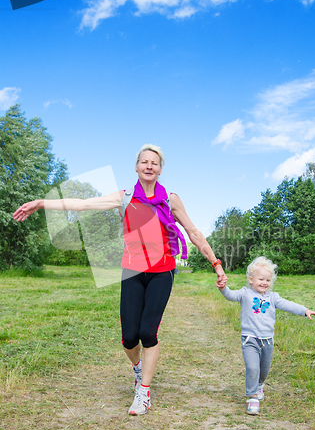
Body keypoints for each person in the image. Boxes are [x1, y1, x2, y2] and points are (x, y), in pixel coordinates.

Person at [13, 144, 225, 415]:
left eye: (154, 163)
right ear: (136, 167)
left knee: (148, 332)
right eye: (144, 161)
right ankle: (138, 370)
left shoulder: (170, 200)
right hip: (133, 271)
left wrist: (215, 263)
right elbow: (82, 205)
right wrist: (42, 203)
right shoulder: (125, 197)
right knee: (128, 338)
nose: (149, 166)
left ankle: (144, 392)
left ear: (160, 170)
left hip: (162, 271)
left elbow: (194, 232)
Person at [217, 256, 315, 415]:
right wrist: (223, 288)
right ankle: (252, 397)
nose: (265, 283)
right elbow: (230, 295)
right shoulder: (245, 294)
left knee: (263, 370)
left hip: (267, 341)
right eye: (261, 279)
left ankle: (259, 385)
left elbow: (289, 305)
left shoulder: (273, 297)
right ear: (251, 279)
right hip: (249, 339)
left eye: (268, 280)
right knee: (252, 367)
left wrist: (305, 310)